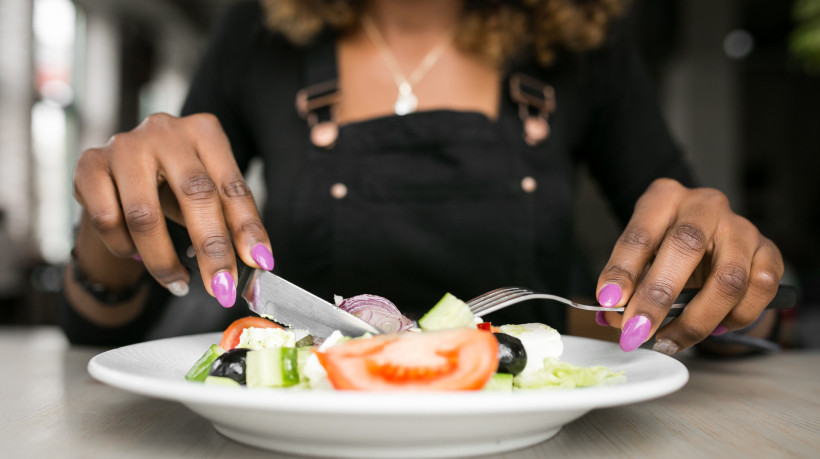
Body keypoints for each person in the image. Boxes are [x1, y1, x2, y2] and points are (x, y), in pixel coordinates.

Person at [62, 0, 784, 355]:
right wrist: (112, 229)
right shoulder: (258, 32)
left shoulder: (587, 42)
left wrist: (733, 283)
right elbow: (101, 327)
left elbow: (721, 290)